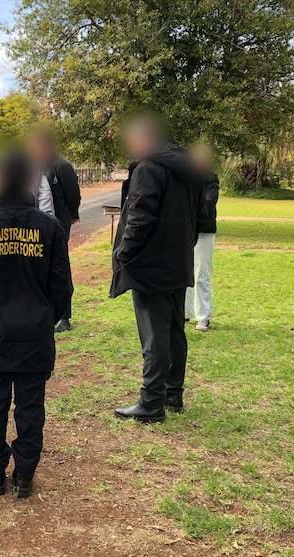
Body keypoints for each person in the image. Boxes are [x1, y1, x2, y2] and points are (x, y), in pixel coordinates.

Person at [0, 149, 73, 498]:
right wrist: (43, 319)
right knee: (30, 407)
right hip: (34, 336)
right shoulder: (50, 228)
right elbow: (61, 289)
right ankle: (24, 475)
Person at [110, 115, 204, 422]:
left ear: (144, 139)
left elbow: (139, 215)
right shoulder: (187, 169)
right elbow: (199, 215)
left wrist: (124, 253)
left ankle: (151, 401)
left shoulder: (149, 167)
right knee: (174, 329)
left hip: (151, 264)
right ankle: (171, 393)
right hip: (178, 260)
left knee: (154, 334)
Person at [30, 128, 81, 332]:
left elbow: (73, 194)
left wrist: (72, 215)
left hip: (57, 225)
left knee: (59, 268)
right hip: (38, 226)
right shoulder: (37, 167)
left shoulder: (62, 166)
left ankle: (64, 316)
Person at [184, 144, 219, 332]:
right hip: (185, 230)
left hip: (204, 231)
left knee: (202, 274)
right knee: (184, 271)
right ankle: (184, 312)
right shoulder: (184, 178)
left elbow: (209, 203)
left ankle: (203, 316)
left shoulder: (210, 179)